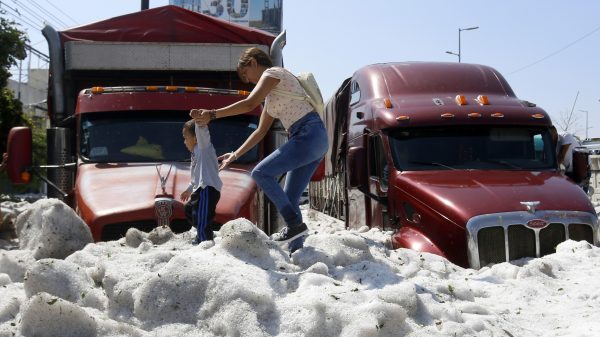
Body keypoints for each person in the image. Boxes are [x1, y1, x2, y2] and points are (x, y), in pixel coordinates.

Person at [190, 47, 328, 244]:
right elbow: (260, 132)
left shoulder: (273, 73)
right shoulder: (272, 99)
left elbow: (248, 104)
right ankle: (297, 250)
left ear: (253, 62)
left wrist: (212, 114)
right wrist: (235, 155)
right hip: (315, 138)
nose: (250, 82)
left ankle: (294, 224)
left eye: (247, 74)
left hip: (308, 134)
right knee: (289, 197)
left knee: (260, 173)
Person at [180, 120, 222, 245]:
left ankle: (204, 240)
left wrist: (199, 121)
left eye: (186, 138)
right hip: (199, 189)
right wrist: (188, 189)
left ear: (196, 138)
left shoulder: (203, 148)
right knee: (189, 210)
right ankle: (206, 231)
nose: (184, 141)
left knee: (202, 215)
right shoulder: (194, 153)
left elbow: (202, 133)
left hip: (207, 188)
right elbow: (195, 176)